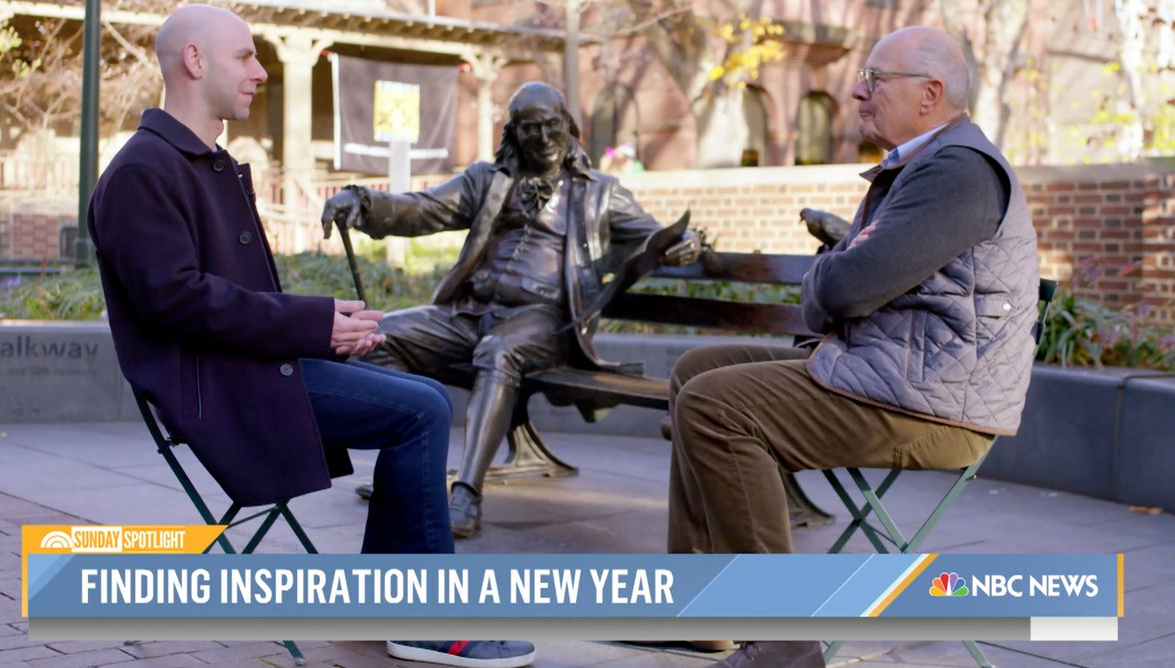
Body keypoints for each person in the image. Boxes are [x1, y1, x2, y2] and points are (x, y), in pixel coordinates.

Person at [88, 6, 534, 666]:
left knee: (413, 395)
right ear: (194, 61)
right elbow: (177, 303)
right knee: (423, 409)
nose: (261, 72)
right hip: (215, 391)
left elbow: (232, 300)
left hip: (247, 368)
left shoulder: (197, 161)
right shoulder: (143, 172)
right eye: (245, 57)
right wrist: (309, 325)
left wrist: (323, 330)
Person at [666, 26, 1039, 668]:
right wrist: (837, 272)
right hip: (891, 372)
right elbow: (845, 281)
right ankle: (705, 610)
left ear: (931, 92)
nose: (857, 92)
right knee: (699, 370)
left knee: (716, 407)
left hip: (933, 404)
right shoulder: (919, 166)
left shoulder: (959, 172)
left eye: (874, 79)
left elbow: (843, 289)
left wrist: (834, 272)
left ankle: (782, 643)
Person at [321, 82, 700, 539]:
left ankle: (466, 494)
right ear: (514, 134)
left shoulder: (601, 193)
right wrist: (362, 201)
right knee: (386, 335)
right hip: (471, 311)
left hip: (544, 322)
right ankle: (409, 474)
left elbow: (658, 236)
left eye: (552, 127)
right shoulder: (489, 180)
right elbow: (422, 209)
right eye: (530, 129)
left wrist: (687, 245)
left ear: (570, 127)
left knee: (499, 353)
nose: (543, 139)